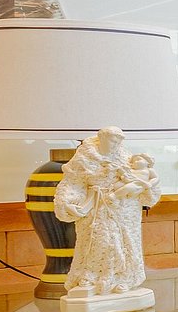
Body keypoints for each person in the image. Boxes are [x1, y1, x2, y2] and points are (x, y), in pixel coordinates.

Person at [54, 126, 162, 297]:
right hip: (96, 207)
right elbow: (73, 181)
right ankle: (90, 277)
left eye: (119, 141)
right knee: (98, 240)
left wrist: (144, 188)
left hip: (124, 209)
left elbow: (142, 179)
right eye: (113, 140)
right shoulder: (84, 157)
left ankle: (123, 279)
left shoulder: (126, 157)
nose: (116, 144)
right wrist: (67, 201)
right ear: (102, 138)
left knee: (124, 243)